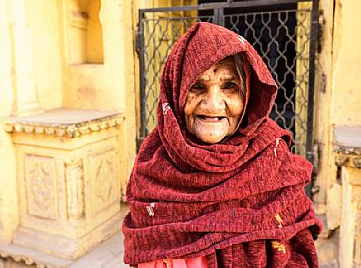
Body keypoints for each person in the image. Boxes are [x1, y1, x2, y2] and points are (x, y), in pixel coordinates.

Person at [122, 22, 322, 268]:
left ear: (248, 95)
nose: (214, 105)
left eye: (230, 87)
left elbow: (299, 256)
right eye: (197, 86)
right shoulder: (152, 168)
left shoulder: (274, 163)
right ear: (176, 92)